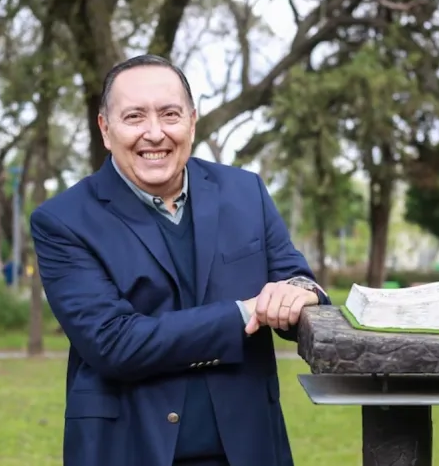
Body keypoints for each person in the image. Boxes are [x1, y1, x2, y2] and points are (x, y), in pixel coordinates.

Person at [30, 54, 330, 466]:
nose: (154, 133)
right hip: (127, 450)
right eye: (134, 117)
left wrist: (300, 293)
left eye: (170, 114)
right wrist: (243, 314)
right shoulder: (63, 220)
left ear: (192, 122)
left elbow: (298, 280)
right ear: (105, 129)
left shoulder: (246, 192)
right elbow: (114, 342)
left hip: (249, 447)